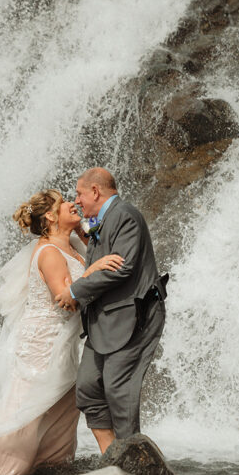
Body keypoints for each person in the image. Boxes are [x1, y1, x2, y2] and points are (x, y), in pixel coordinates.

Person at [0, 189, 123, 475]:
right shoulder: (48, 252)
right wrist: (94, 269)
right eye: (64, 203)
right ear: (49, 215)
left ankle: (49, 467)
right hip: (44, 340)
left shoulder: (71, 243)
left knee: (62, 406)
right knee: (26, 408)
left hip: (65, 339)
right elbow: (65, 299)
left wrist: (88, 237)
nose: (73, 203)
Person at [55, 168, 168, 454]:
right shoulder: (101, 221)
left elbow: (122, 268)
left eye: (80, 193)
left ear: (95, 191)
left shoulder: (124, 215)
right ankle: (112, 457)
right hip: (103, 321)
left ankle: (135, 463)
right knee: (88, 388)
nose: (77, 200)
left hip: (132, 318)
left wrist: (74, 292)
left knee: (119, 391)